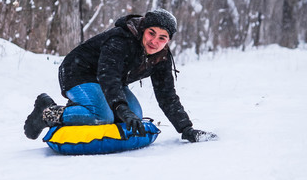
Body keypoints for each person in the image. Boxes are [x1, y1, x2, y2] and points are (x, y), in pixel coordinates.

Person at [24, 9, 217, 143]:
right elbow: (109, 75)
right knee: (103, 116)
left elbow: (167, 95)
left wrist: (186, 129)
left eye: (162, 38)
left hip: (107, 81)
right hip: (78, 73)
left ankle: (84, 107)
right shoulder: (120, 39)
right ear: (144, 30)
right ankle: (46, 112)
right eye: (151, 33)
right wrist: (121, 108)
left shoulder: (162, 57)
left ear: (168, 40)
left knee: (136, 116)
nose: (154, 41)